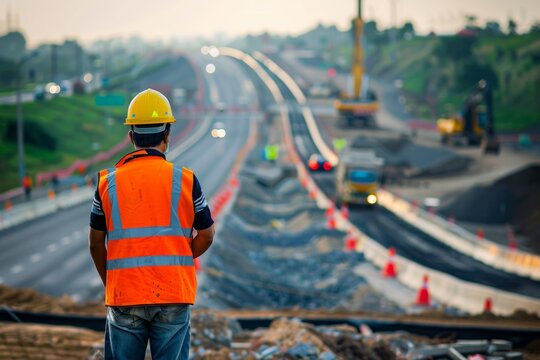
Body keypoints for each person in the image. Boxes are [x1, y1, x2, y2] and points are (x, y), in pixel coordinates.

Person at [88, 88, 215, 360]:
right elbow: (206, 235)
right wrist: (175, 257)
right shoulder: (186, 180)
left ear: (131, 135)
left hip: (125, 293)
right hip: (173, 290)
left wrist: (111, 280)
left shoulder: (106, 183)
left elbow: (96, 244)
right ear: (167, 135)